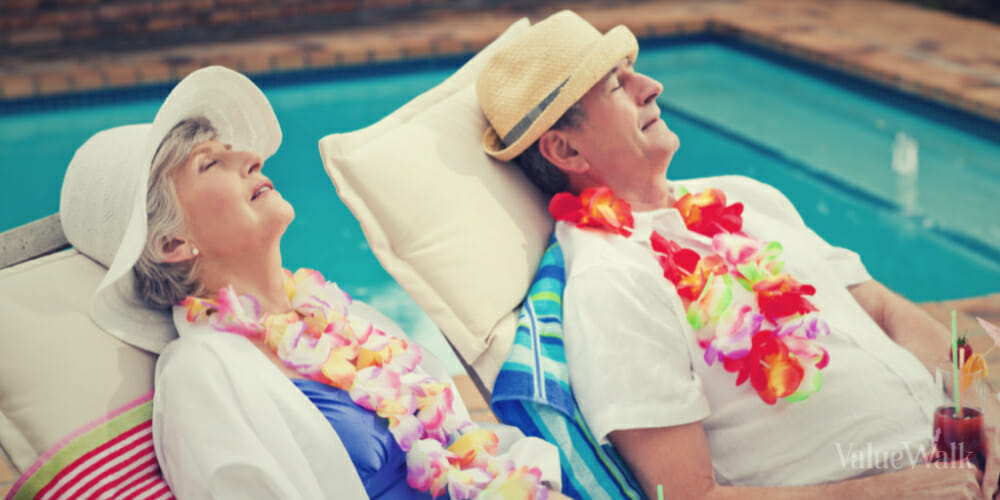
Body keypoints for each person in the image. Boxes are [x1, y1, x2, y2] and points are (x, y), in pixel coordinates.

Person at [475, 10, 999, 500]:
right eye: (616, 85)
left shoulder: (743, 194)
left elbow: (883, 307)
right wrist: (897, 490)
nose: (651, 86)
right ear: (566, 150)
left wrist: (983, 412)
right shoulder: (613, 281)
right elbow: (689, 495)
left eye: (632, 71)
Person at [60, 65, 566, 500]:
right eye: (210, 164)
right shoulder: (200, 374)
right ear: (172, 243)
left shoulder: (345, 320)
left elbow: (467, 441)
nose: (252, 159)